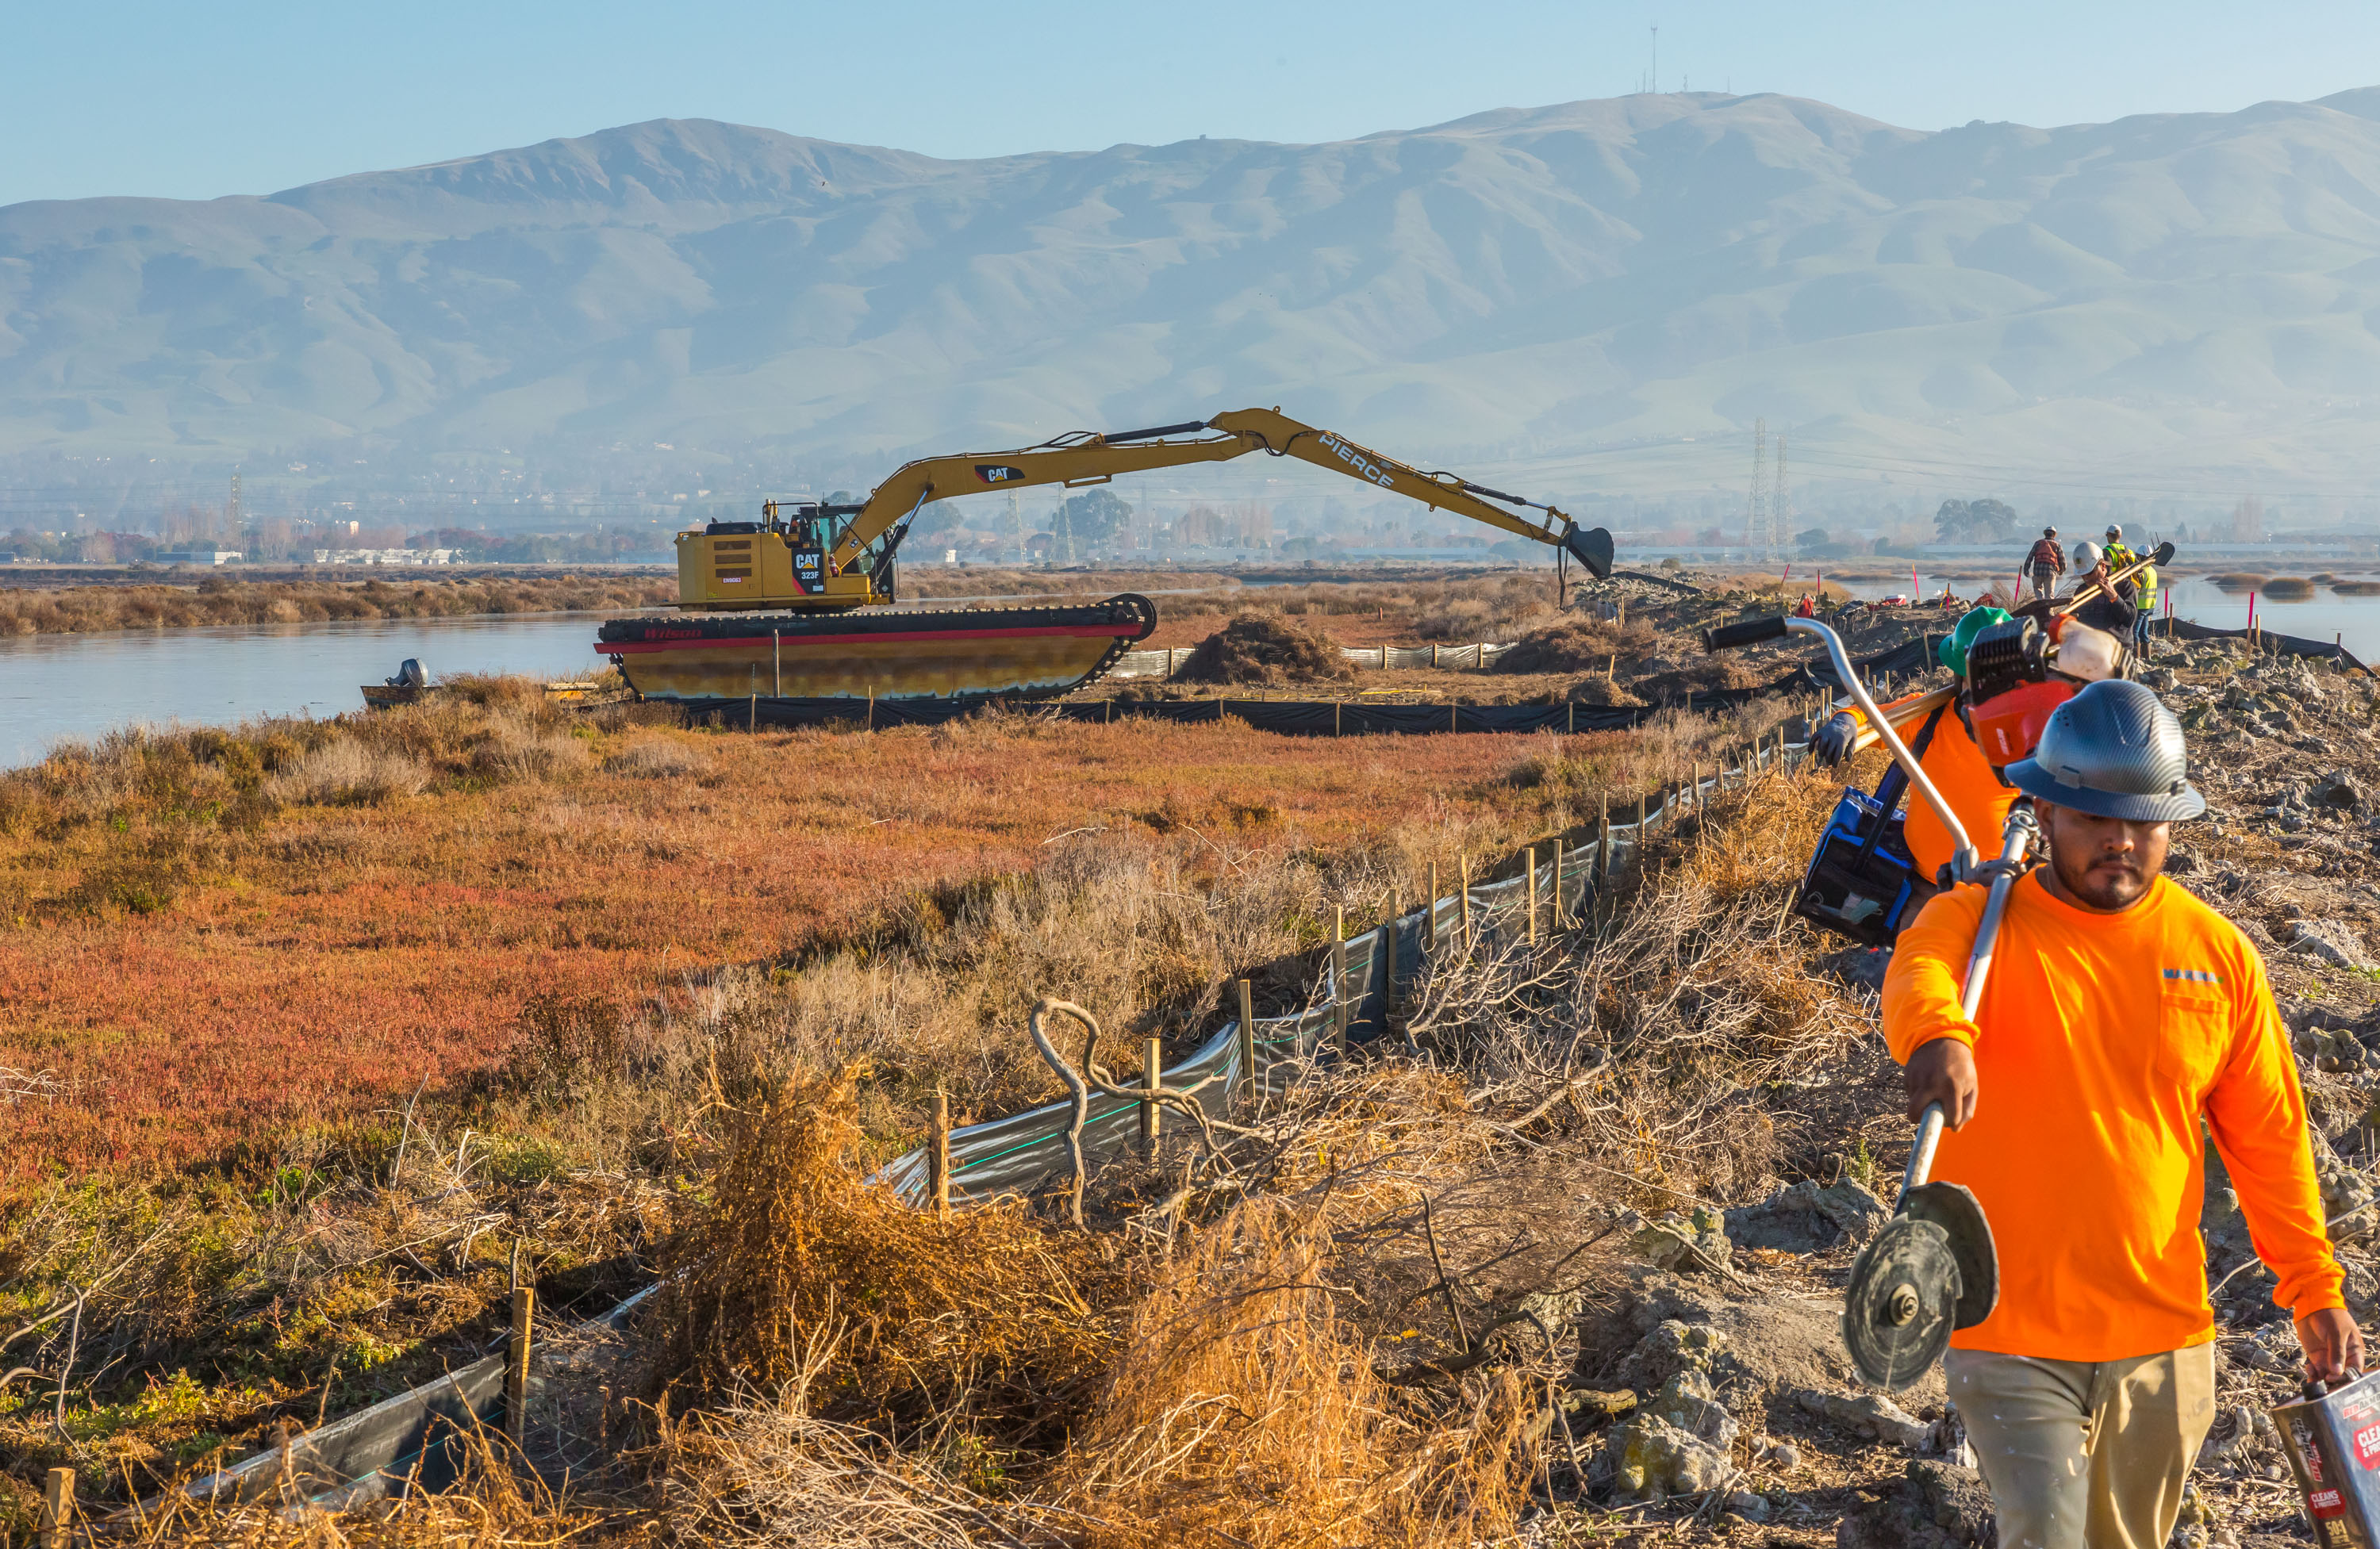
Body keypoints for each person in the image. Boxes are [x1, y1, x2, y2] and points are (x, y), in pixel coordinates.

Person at [1884, 681, 2359, 1549]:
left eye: (2142, 821)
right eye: (2094, 818)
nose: (2120, 841)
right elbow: (1919, 969)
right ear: (2047, 811)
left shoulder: (2217, 958)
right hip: (2007, 1329)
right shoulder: (1983, 926)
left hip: (2164, 1339)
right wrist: (1938, 1038)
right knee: (2046, 1534)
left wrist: (2313, 1289)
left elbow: (2271, 1144)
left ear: (2171, 821)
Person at [2024, 527, 2066, 600]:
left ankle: (2040, 605)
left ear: (2045, 534)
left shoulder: (2038, 543)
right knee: (2049, 595)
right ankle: (2049, 611)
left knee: (2037, 590)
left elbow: (2030, 557)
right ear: (2054, 535)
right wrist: (2061, 570)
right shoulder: (2057, 545)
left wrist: (2026, 569)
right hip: (2050, 572)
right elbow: (2062, 561)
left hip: (2037, 572)